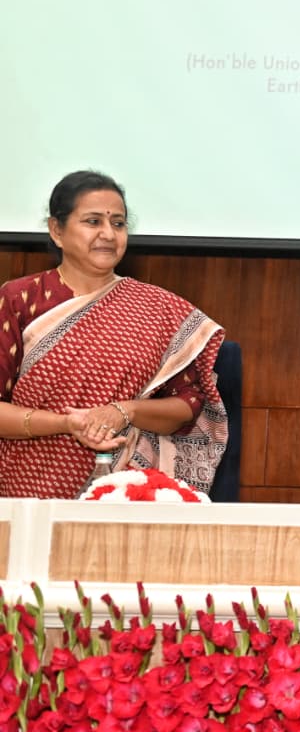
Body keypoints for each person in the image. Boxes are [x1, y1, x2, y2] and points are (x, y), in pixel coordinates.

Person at [0, 171, 228, 498]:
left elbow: (189, 407)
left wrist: (127, 411)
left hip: (125, 490)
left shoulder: (159, 309)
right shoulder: (20, 299)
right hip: (28, 488)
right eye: (93, 221)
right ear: (57, 230)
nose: (108, 234)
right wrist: (66, 424)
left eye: (118, 224)